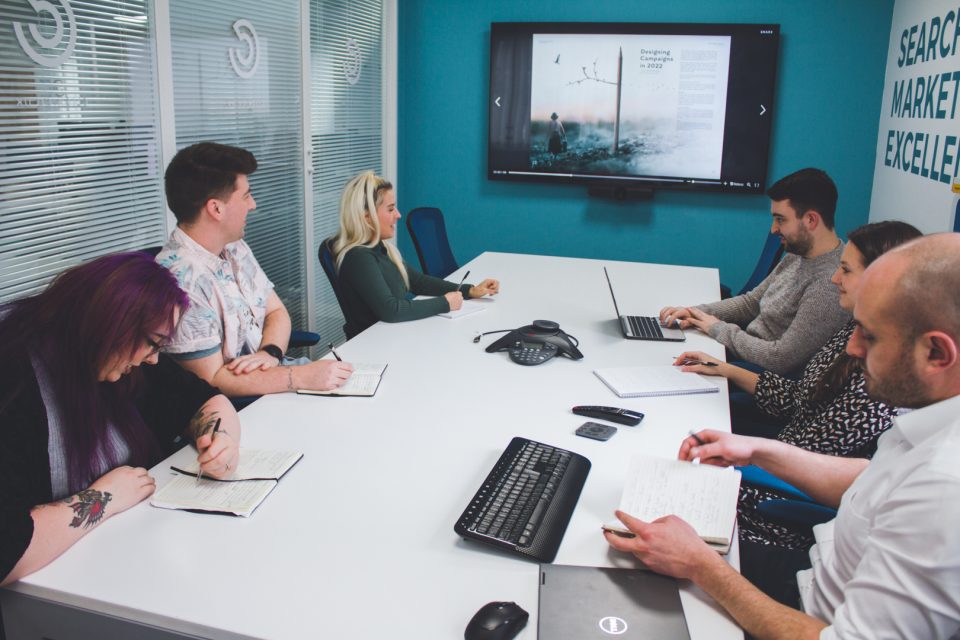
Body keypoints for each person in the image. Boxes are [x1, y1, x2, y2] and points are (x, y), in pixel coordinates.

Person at [606, 233, 960, 638]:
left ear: (937, 354)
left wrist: (699, 565)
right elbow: (872, 483)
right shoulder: (931, 417)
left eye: (871, 335)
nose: (855, 348)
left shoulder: (946, 487)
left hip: (807, 613)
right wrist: (759, 450)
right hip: (809, 575)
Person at [673, 220, 922, 551]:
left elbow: (814, 461)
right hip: (769, 467)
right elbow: (797, 398)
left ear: (881, 280)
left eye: (846, 270)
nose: (835, 278)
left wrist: (740, 467)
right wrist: (726, 369)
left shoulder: (881, 380)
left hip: (769, 501)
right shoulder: (854, 331)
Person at [0, 253, 242, 586]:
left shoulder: (125, 364)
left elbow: (207, 400)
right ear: (112, 322)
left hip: (126, 556)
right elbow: (8, 551)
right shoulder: (14, 379)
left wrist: (223, 440)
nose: (155, 360)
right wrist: (104, 498)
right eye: (152, 344)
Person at [157, 141, 353, 396]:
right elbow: (212, 380)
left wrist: (269, 352)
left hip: (277, 377)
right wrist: (299, 376)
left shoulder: (234, 246)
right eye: (246, 195)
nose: (253, 204)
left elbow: (276, 311)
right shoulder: (181, 281)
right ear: (216, 208)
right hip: (243, 406)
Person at [659, 168, 849, 376]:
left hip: (756, 375)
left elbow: (780, 359)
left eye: (780, 219)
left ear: (811, 220)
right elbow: (752, 302)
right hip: (741, 352)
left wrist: (717, 329)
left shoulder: (829, 285)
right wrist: (696, 312)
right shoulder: (799, 254)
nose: (774, 229)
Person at [332, 171, 500, 337]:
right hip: (375, 344)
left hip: (394, 336)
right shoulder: (359, 257)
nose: (398, 215)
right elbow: (391, 310)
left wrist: (469, 290)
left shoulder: (381, 248)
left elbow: (417, 282)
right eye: (390, 210)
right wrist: (445, 303)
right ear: (367, 217)